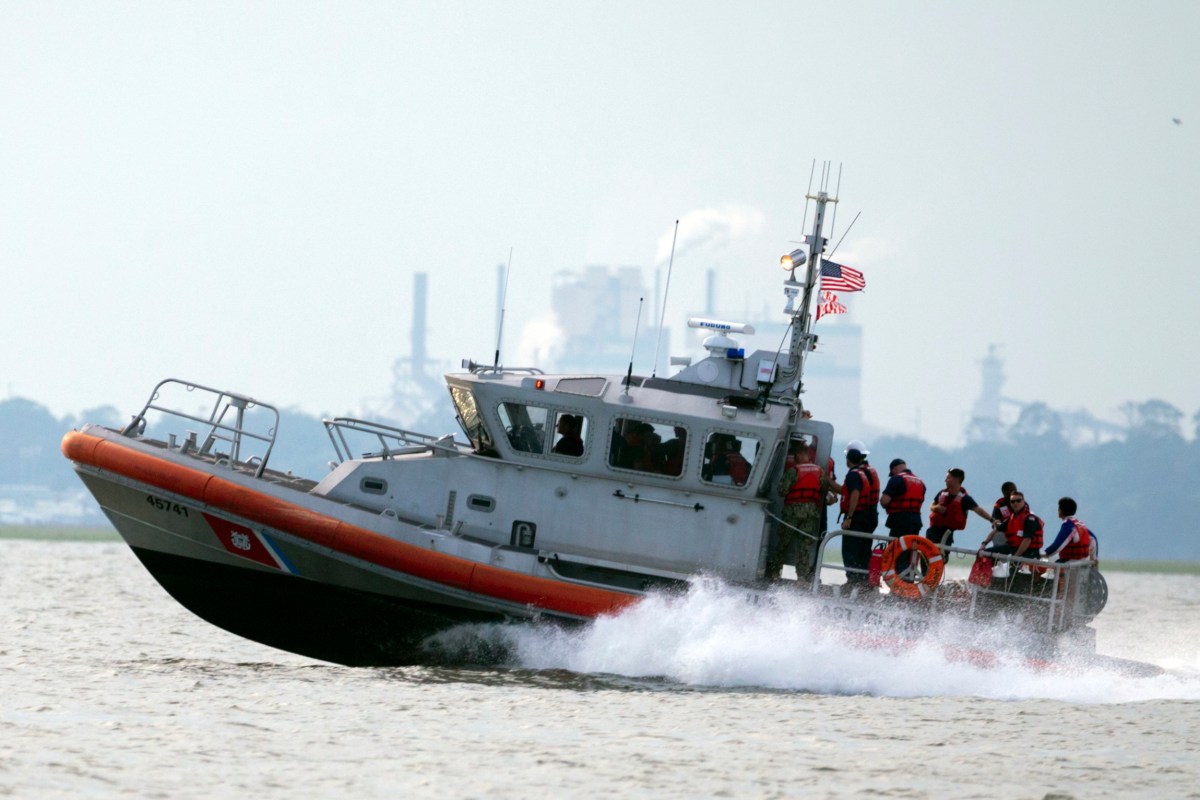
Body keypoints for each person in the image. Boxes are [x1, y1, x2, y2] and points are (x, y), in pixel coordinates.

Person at [769, 440, 830, 582]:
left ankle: (774, 572)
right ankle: (802, 577)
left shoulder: (794, 471)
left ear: (800, 455)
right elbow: (824, 489)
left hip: (792, 512)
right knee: (804, 546)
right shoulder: (820, 471)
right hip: (811, 513)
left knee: (783, 543)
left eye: (796, 455)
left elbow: (782, 491)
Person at [838, 440, 879, 589]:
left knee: (851, 550)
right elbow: (849, 491)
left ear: (848, 459)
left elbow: (855, 493)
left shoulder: (855, 475)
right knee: (863, 550)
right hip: (869, 516)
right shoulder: (867, 472)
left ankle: (854, 581)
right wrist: (829, 482)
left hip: (857, 517)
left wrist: (849, 517)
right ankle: (863, 582)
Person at [927, 468, 995, 549]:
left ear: (956, 480)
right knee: (926, 556)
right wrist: (936, 508)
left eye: (948, 478)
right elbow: (932, 505)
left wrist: (992, 520)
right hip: (932, 532)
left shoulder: (965, 499)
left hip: (947, 534)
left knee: (939, 557)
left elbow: (978, 510)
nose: (945, 480)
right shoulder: (942, 493)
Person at [979, 490, 1043, 561]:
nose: (1015, 503)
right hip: (1013, 549)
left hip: (1029, 553)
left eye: (1018, 501)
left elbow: (1027, 540)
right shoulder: (1011, 519)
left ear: (1023, 502)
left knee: (1013, 568)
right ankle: (984, 571)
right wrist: (984, 543)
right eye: (1013, 501)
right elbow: (996, 530)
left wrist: (1015, 557)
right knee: (985, 553)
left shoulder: (1030, 519)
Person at [880, 458, 926, 537]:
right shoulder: (921, 482)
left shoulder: (896, 479)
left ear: (894, 469)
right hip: (916, 521)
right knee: (910, 547)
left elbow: (884, 501)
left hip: (900, 520)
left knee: (896, 547)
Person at [1043, 497, 1095, 563]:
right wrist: (1094, 558)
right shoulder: (1080, 524)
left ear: (1061, 510)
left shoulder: (1068, 525)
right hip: (1082, 562)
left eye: (1059, 508)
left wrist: (1045, 554)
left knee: (1048, 564)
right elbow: (1093, 538)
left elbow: (1057, 545)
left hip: (1070, 563)